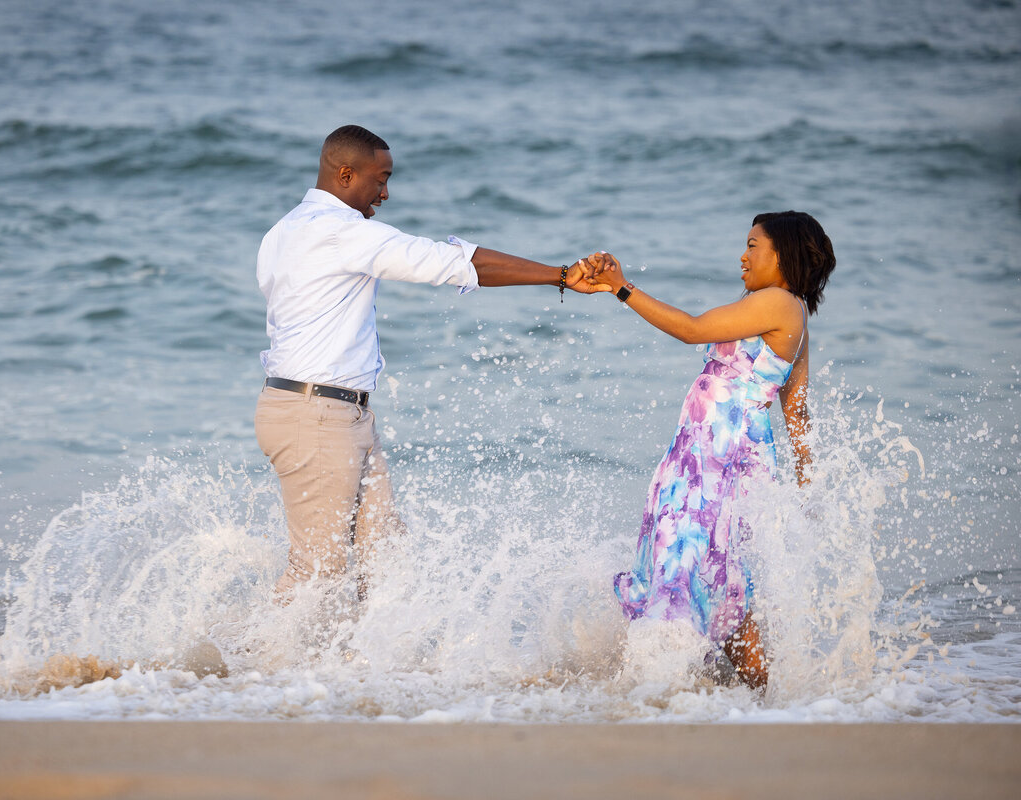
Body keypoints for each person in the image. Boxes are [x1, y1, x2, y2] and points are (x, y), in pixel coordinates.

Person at [256, 124, 611, 602]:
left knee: (383, 558)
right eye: (379, 179)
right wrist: (560, 275)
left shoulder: (284, 231)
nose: (385, 192)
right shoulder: (341, 233)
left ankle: (359, 674)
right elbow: (451, 263)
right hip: (317, 415)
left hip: (332, 412)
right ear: (345, 174)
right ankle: (249, 668)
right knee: (316, 571)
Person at [590, 211, 836, 689]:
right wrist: (808, 486)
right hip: (705, 455)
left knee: (685, 564)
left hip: (717, 459)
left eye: (753, 245)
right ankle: (759, 695)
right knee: (713, 573)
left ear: (783, 255)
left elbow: (691, 328)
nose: (742, 256)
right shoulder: (790, 313)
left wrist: (622, 288)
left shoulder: (781, 303)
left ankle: (663, 690)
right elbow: (797, 414)